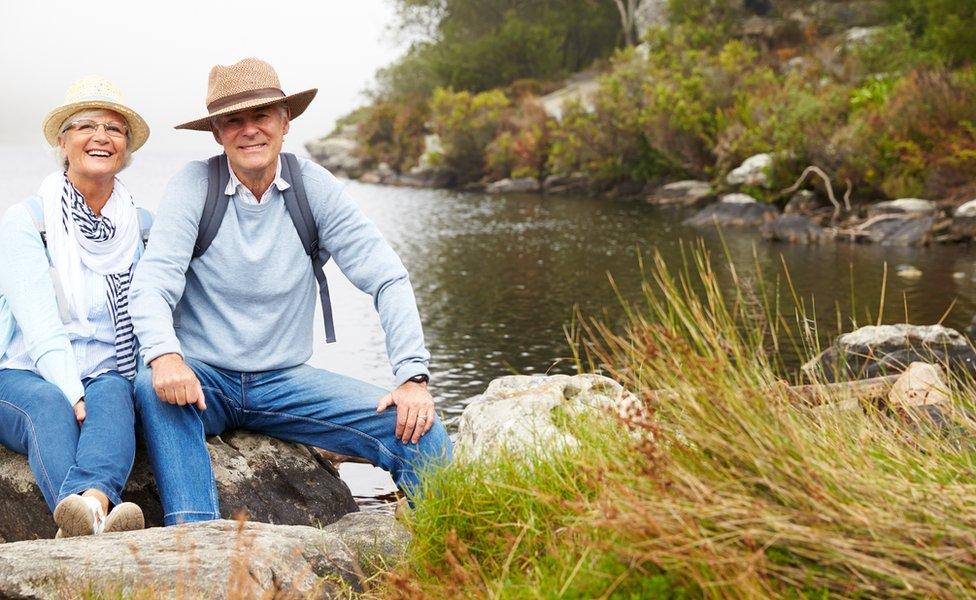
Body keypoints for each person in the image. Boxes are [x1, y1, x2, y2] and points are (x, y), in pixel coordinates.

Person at [130, 57, 451, 526]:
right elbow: (153, 282)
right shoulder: (194, 185)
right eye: (232, 120)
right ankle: (196, 542)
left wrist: (413, 377)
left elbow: (387, 277)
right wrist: (164, 356)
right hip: (204, 381)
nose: (249, 130)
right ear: (217, 133)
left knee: (421, 431)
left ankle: (452, 551)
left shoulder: (312, 187)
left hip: (284, 383)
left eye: (261, 116)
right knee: (152, 389)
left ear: (285, 122)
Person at [0, 76, 151, 537]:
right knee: (50, 403)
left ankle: (88, 512)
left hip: (108, 366)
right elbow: (40, 326)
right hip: (25, 370)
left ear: (126, 148)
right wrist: (72, 391)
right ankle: (99, 517)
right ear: (63, 143)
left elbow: (154, 310)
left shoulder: (142, 226)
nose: (101, 136)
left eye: (115, 128)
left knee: (114, 393)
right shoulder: (27, 220)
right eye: (85, 125)